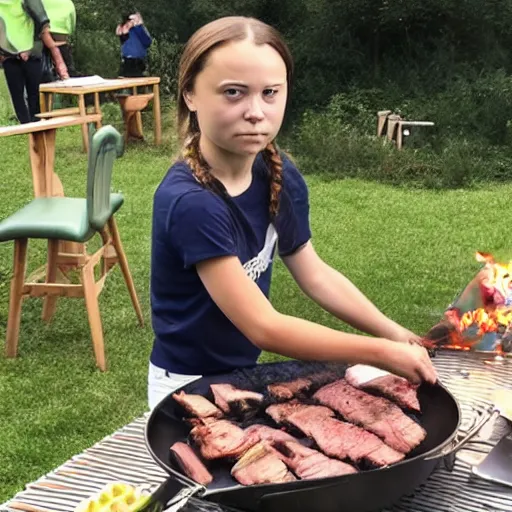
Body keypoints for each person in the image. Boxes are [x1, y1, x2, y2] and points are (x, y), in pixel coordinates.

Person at [148, 16, 437, 410]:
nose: (255, 111)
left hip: (241, 372)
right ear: (190, 95)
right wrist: (381, 353)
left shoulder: (278, 174)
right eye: (233, 92)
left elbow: (315, 274)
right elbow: (263, 326)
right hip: (185, 386)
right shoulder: (192, 202)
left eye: (270, 92)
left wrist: (395, 333)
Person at [0, 0, 68, 123]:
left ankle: (38, 125)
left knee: (35, 95)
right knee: (17, 96)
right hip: (9, 56)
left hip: (31, 52)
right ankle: (26, 128)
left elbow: (42, 23)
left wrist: (28, 49)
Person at [40, 0, 77, 81]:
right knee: (68, 74)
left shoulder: (40, 2)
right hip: (61, 39)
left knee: (44, 71)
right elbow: (72, 24)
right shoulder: (68, 3)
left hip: (42, 37)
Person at [115, 11, 152, 78]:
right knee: (124, 83)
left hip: (140, 63)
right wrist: (124, 29)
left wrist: (138, 26)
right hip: (127, 63)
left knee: (139, 84)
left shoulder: (140, 29)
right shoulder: (123, 29)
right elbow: (122, 37)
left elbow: (147, 42)